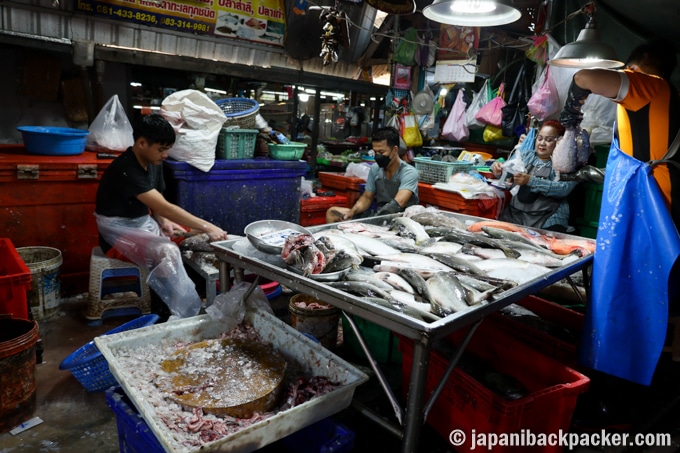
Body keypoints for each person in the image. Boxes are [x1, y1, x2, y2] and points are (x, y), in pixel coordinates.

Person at [95, 113, 228, 319]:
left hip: (143, 224)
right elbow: (166, 207)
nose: (165, 155)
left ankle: (186, 297)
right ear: (141, 143)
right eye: (161, 149)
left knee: (197, 237)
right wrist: (207, 226)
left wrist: (164, 222)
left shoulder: (154, 163)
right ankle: (177, 314)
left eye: (167, 149)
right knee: (167, 251)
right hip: (116, 236)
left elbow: (157, 205)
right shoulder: (125, 169)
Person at [559, 37, 680, 226]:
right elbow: (644, 154)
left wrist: (571, 110)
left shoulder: (652, 86)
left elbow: (584, 78)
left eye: (628, 71)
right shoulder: (666, 97)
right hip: (650, 192)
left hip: (653, 198)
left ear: (635, 67)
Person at [491, 120, 577, 232]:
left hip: (549, 216)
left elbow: (564, 189)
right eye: (540, 138)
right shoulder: (525, 156)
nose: (542, 143)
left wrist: (530, 181)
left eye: (549, 140)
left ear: (560, 142)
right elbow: (508, 174)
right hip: (518, 213)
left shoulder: (565, 164)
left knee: (548, 239)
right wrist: (499, 171)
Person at [325, 127, 419, 223]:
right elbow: (367, 198)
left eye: (381, 152)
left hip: (401, 218)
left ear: (395, 150)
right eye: (375, 152)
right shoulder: (375, 169)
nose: (377, 156)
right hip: (378, 214)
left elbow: (399, 202)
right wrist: (352, 212)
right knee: (332, 213)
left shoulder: (409, 172)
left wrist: (374, 220)